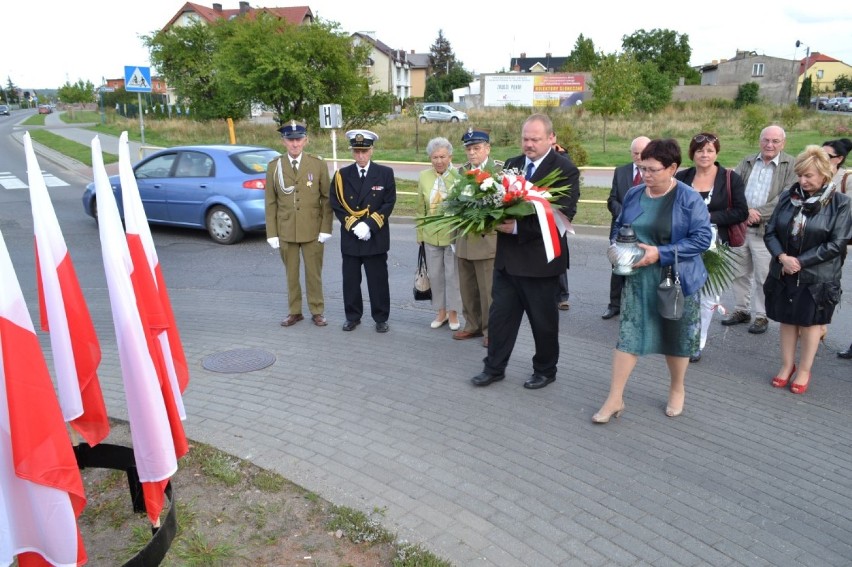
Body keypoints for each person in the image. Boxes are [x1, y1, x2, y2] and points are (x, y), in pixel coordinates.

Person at [592, 139, 712, 423]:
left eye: (653, 169)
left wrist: (660, 253)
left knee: (676, 337)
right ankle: (615, 398)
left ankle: (676, 388)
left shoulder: (687, 197)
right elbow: (621, 227)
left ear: (672, 168)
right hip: (638, 279)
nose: (646, 174)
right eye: (641, 167)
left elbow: (702, 239)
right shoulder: (634, 194)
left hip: (676, 280)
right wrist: (618, 250)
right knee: (629, 338)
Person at [470, 113, 580, 390]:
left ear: (551, 138)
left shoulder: (565, 169)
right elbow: (496, 200)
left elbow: (563, 214)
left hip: (540, 264)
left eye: (535, 139)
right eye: (525, 138)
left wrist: (517, 229)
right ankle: (494, 368)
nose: (528, 144)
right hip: (507, 263)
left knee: (543, 323)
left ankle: (545, 370)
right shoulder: (512, 165)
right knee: (500, 320)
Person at [763, 146, 852, 393]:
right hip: (784, 270)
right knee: (787, 320)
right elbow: (770, 231)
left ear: (824, 174)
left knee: (810, 323)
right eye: (800, 175)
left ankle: (803, 370)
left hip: (818, 277)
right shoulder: (787, 198)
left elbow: (837, 243)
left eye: (809, 176)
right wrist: (782, 257)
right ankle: (786, 365)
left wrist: (800, 262)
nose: (802, 180)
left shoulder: (841, 204)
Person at [675, 133, 748, 362]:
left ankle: (697, 341)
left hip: (716, 247)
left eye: (709, 150)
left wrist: (708, 216)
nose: (704, 155)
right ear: (692, 154)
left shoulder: (729, 178)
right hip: (684, 244)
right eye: (699, 150)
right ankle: (681, 337)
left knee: (707, 296)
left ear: (716, 152)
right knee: (684, 292)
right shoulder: (681, 177)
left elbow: (741, 211)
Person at [721, 125, 797, 334]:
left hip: (767, 231)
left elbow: (786, 197)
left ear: (783, 143)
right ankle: (741, 310)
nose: (769, 145)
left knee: (764, 276)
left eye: (775, 141)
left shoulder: (790, 164)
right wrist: (744, 213)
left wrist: (755, 213)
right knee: (738, 272)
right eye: (766, 140)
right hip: (740, 228)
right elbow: (731, 189)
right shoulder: (746, 161)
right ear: (759, 140)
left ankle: (762, 315)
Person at [265, 120, 332, 327]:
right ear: (283, 141)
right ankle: (295, 311)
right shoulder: (275, 166)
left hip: (312, 229)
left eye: (298, 140)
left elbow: (327, 199)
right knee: (291, 274)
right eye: (290, 140)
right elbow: (271, 201)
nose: (295, 144)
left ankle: (317, 310)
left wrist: (325, 229)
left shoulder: (317, 164)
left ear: (306, 140)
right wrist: (272, 233)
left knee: (314, 273)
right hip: (286, 230)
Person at [329, 130, 397, 333]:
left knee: (378, 281)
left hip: (375, 236)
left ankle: (381, 318)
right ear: (352, 152)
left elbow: (389, 202)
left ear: (371, 150)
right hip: (351, 237)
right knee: (350, 281)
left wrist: (369, 225)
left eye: (364, 151)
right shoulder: (341, 175)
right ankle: (352, 316)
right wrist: (353, 225)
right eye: (357, 151)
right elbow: (336, 203)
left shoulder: (385, 173)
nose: (360, 156)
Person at [454, 129, 502, 347]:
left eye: (476, 148)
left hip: (486, 240)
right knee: (467, 287)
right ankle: (472, 324)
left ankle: (491, 330)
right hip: (464, 240)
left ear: (487, 149)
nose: (472, 153)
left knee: (488, 290)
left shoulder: (498, 171)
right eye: (468, 149)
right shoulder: (461, 172)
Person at [416, 137, 462, 330]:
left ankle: (453, 314)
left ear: (450, 156)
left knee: (453, 276)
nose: (439, 161)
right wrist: (420, 234)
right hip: (430, 235)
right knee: (435, 275)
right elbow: (421, 208)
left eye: (442, 156)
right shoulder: (424, 177)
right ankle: (440, 312)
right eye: (435, 157)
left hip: (451, 236)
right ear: (430, 158)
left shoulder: (459, 177)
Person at [603, 136, 650, 320]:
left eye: (642, 153)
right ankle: (614, 305)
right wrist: (622, 213)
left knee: (640, 269)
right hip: (620, 230)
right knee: (617, 268)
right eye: (635, 153)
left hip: (644, 231)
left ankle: (637, 308)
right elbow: (611, 199)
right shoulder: (621, 171)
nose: (638, 156)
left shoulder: (653, 172)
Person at [551, 140, 579, 311]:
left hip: (558, 216)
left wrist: (567, 217)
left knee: (559, 253)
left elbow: (573, 193)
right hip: (541, 214)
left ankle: (562, 295)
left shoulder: (564, 160)